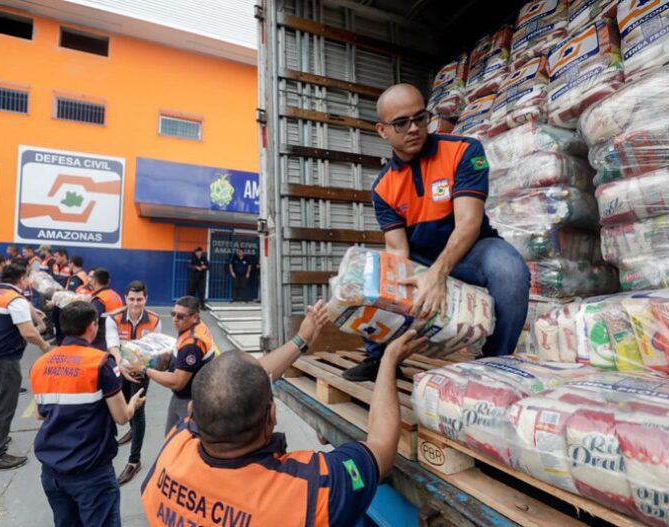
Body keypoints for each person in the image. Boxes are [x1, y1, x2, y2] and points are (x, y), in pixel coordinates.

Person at [140, 300, 426, 525]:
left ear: (193, 411)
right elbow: (382, 447)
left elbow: (248, 378)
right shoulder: (310, 491)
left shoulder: (175, 447)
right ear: (272, 417)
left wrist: (301, 340)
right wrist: (388, 359)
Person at [341, 83, 531, 382]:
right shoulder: (382, 187)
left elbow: (468, 223)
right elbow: (398, 251)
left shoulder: (464, 150)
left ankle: (494, 362)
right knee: (372, 273)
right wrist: (399, 285)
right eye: (401, 123)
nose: (414, 128)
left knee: (510, 270)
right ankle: (379, 358)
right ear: (382, 130)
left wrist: (439, 274)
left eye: (420, 118)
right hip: (420, 256)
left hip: (473, 249)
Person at [30, 301, 146, 527]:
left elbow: (40, 415)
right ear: (92, 327)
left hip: (52, 473)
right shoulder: (101, 363)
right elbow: (121, 417)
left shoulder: (41, 364)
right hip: (91, 473)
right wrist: (133, 404)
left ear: (63, 327)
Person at [0, 264, 51, 471]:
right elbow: (28, 333)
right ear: (22, 280)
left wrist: (32, 312)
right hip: (3, 361)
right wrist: (45, 347)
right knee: (3, 406)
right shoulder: (15, 300)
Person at [128, 296, 217, 434]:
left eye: (181, 316)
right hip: (186, 396)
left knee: (178, 443)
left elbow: (177, 382)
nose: (175, 319)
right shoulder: (196, 327)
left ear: (195, 317)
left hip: (190, 401)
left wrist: (143, 370)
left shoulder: (192, 344)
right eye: (173, 314)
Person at [106, 280, 161, 485]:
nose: (135, 303)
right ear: (125, 298)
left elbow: (154, 350)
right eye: (131, 299)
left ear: (145, 298)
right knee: (118, 405)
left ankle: (134, 461)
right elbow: (113, 346)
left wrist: (139, 368)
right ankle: (130, 430)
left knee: (137, 411)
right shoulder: (114, 318)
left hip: (141, 369)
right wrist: (122, 367)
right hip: (120, 367)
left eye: (139, 299)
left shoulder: (154, 320)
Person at [89, 268, 124, 352]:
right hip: (116, 337)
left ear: (94, 281)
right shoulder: (116, 296)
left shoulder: (99, 299)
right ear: (108, 281)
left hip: (101, 341)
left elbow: (92, 322)